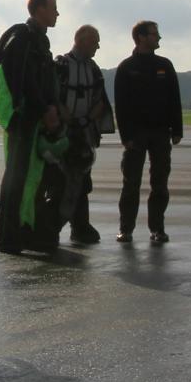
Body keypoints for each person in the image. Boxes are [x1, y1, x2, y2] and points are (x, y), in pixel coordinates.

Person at [0, 0, 63, 254]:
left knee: (33, 177)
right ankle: (7, 236)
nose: (57, 13)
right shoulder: (21, 37)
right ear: (39, 9)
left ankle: (26, 229)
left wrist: (52, 107)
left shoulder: (38, 40)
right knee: (17, 177)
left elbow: (43, 81)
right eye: (53, 8)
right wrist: (43, 108)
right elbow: (22, 79)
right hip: (22, 118)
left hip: (35, 117)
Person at [112, 20, 182, 244]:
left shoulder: (165, 65)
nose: (158, 37)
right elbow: (121, 106)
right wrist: (125, 137)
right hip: (136, 135)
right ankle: (126, 229)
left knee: (160, 184)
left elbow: (174, 99)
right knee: (131, 183)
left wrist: (177, 129)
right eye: (154, 34)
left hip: (161, 132)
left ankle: (157, 229)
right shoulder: (126, 67)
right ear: (141, 37)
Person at [55, 24, 113, 246]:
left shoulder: (94, 69)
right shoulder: (61, 66)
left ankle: (80, 225)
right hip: (62, 134)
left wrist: (86, 121)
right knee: (60, 181)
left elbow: (100, 100)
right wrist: (66, 119)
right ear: (81, 41)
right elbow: (53, 96)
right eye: (94, 42)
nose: (97, 46)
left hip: (84, 134)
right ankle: (54, 225)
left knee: (83, 181)